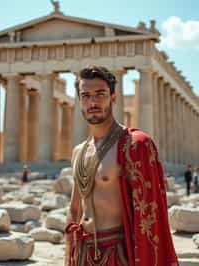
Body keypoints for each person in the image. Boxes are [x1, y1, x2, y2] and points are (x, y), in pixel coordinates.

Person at [64, 66, 179, 266]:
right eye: (86, 95)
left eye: (100, 94)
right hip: (83, 253)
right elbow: (74, 210)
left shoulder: (135, 145)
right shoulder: (79, 151)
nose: (92, 102)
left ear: (114, 98)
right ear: (80, 101)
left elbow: (151, 218)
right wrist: (69, 256)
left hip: (117, 253)